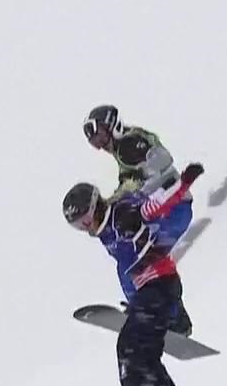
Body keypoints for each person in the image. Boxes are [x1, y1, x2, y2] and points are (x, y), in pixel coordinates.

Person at [63, 161, 206, 386]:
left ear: (94, 208)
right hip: (152, 291)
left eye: (84, 221)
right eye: (79, 227)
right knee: (146, 357)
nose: (86, 229)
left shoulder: (122, 213)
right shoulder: (106, 229)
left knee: (129, 348)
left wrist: (184, 183)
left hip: (159, 287)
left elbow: (154, 206)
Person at [82, 104, 194, 335]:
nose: (101, 145)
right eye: (94, 142)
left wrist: (132, 197)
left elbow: (162, 163)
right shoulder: (125, 149)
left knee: (134, 260)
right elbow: (133, 182)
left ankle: (166, 314)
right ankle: (171, 315)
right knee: (139, 259)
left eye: (101, 136)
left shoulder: (129, 145)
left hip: (172, 210)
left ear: (113, 126)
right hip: (171, 209)